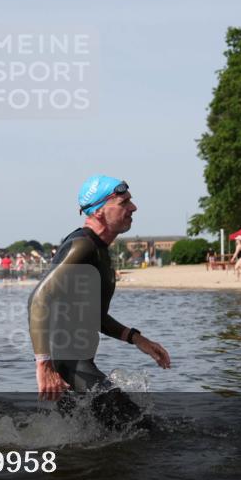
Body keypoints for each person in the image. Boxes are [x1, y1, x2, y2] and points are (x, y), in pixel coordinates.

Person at [28, 175, 170, 430]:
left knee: (81, 447)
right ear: (101, 211)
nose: (133, 208)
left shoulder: (99, 250)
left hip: (76, 366)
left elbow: (93, 316)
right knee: (145, 432)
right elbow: (39, 299)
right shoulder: (82, 246)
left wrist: (137, 338)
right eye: (124, 202)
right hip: (69, 366)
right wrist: (44, 365)